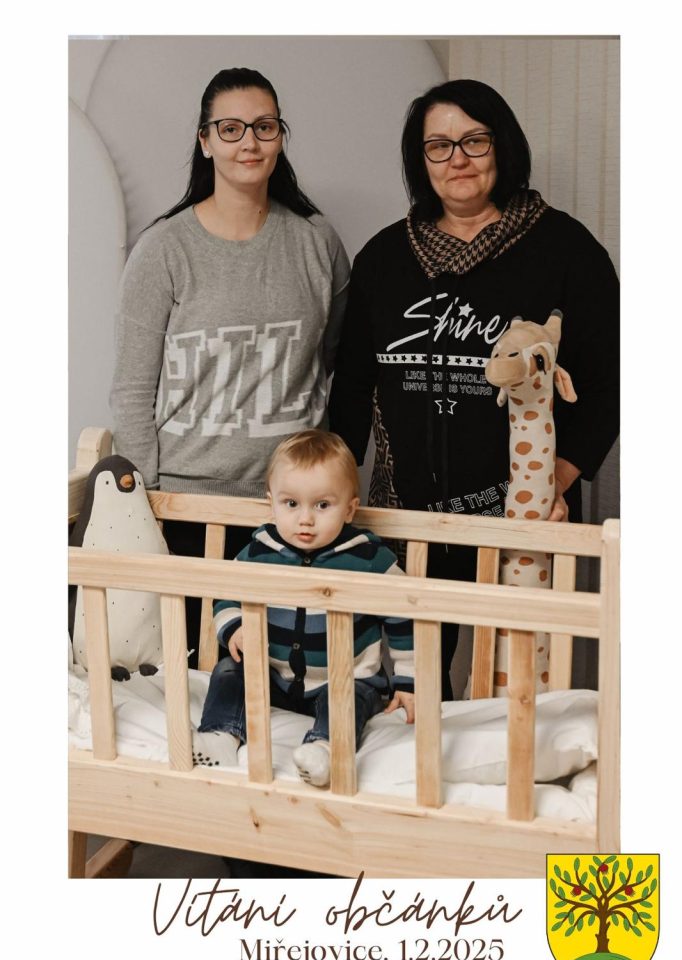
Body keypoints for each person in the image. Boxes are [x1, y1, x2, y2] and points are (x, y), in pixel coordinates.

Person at [328, 78, 619, 698]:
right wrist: (332, 489)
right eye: (438, 146)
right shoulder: (384, 257)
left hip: (517, 515)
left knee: (514, 686)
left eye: (474, 140)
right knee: (408, 686)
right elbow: (352, 383)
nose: (457, 158)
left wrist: (554, 479)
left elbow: (607, 383)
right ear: (421, 160)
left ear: (503, 146)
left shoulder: (566, 250)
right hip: (404, 515)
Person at [110, 68, 350, 662]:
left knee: (293, 675)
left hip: (295, 507)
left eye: (264, 127)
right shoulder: (164, 249)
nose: (249, 142)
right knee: (193, 672)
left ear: (280, 137)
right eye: (231, 128)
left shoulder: (317, 242)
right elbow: (133, 389)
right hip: (187, 504)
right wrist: (148, 501)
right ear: (205, 140)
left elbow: (332, 356)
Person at [194, 430, 415, 787]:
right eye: (291, 504)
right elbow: (226, 593)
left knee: (348, 697)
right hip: (273, 677)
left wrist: (408, 681)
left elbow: (407, 613)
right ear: (271, 503)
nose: (305, 519)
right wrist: (234, 627)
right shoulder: (260, 550)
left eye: (322, 505)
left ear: (350, 509)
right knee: (229, 671)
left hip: (344, 678)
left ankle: (325, 749)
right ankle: (220, 734)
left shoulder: (368, 557)